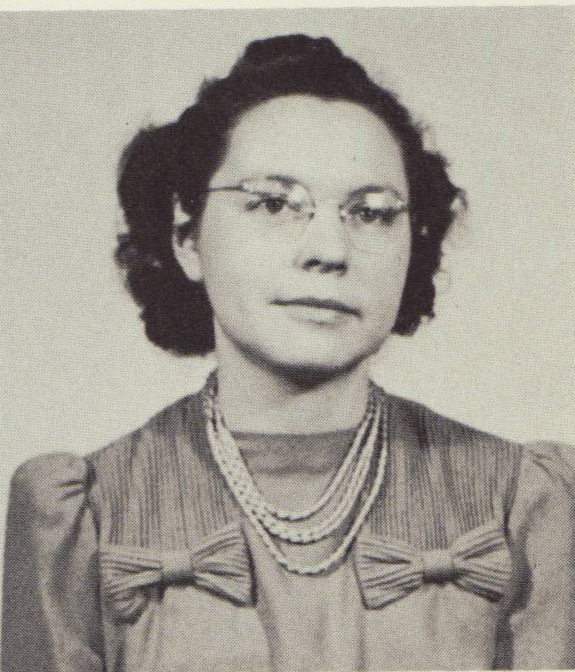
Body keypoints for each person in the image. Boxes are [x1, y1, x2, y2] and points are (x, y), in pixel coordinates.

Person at [2, 34, 574, 672]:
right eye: (273, 204)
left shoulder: (522, 502)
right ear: (188, 238)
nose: (329, 250)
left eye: (371, 213)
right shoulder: (83, 515)